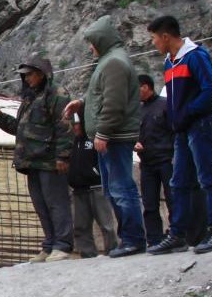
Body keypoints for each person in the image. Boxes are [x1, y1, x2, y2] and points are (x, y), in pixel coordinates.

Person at [148, 15, 212, 255]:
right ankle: (177, 233)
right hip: (181, 130)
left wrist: (188, 112)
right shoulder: (169, 62)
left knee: (207, 178)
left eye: (154, 38)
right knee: (178, 182)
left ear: (165, 36)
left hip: (199, 125)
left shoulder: (195, 56)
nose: (153, 43)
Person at [72, 15, 146, 256]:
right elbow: (100, 96)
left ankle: (133, 240)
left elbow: (114, 103)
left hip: (114, 137)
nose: (90, 47)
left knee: (122, 188)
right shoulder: (109, 61)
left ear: (101, 40)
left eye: (92, 42)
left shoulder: (113, 63)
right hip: (111, 137)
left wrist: (102, 132)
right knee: (115, 189)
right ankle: (129, 239)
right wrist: (81, 103)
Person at [0, 57, 73, 260]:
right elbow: (21, 129)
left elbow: (64, 127)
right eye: (24, 76)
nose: (26, 79)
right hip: (30, 161)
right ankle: (49, 244)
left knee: (56, 202)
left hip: (49, 160)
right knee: (40, 204)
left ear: (42, 74)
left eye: (30, 75)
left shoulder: (57, 94)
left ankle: (62, 245)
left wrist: (63, 156)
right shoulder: (29, 98)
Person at [64, 116, 117, 257]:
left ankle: (112, 250)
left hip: (97, 186)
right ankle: (87, 254)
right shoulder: (72, 142)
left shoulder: (95, 138)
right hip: (79, 189)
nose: (76, 127)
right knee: (81, 226)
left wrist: (97, 173)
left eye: (79, 124)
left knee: (106, 223)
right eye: (74, 124)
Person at [135, 74, 174, 247]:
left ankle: (177, 234)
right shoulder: (138, 111)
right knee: (149, 203)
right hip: (147, 163)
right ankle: (154, 239)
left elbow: (173, 131)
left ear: (145, 87)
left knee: (172, 198)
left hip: (166, 159)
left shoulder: (165, 105)